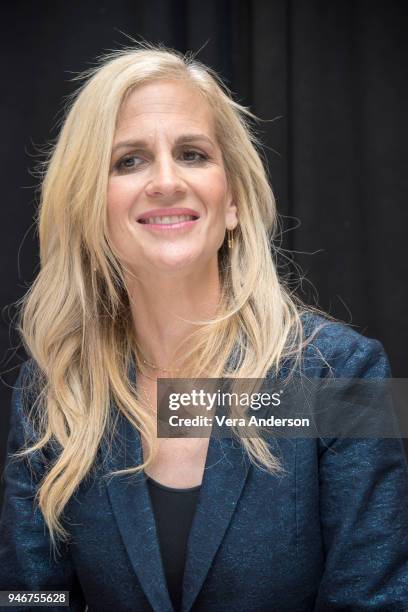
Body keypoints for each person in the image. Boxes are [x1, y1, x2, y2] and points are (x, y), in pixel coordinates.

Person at [0, 44, 407, 612]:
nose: (166, 181)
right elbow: (24, 598)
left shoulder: (346, 377)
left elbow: (375, 599)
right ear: (90, 205)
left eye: (192, 154)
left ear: (233, 198)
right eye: (129, 161)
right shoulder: (54, 397)